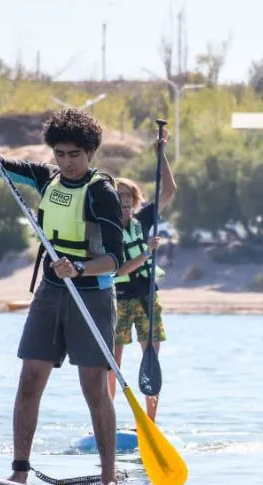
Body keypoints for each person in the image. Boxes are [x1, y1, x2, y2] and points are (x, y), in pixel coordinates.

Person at [0, 108, 125, 485]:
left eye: (74, 155)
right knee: (30, 379)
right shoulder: (45, 177)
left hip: (91, 293)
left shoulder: (101, 192)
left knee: (93, 388)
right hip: (51, 292)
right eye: (60, 154)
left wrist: (80, 268)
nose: (66, 162)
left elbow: (115, 259)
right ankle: (19, 471)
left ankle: (109, 478)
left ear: (90, 154)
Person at [108, 133, 177, 421]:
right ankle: (106, 419)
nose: (123, 202)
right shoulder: (107, 229)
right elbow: (119, 270)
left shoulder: (143, 219)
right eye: (118, 197)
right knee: (113, 362)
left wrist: (160, 152)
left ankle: (150, 423)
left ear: (135, 201)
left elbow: (169, 190)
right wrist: (146, 254)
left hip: (148, 298)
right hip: (120, 301)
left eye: (128, 197)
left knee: (151, 361)